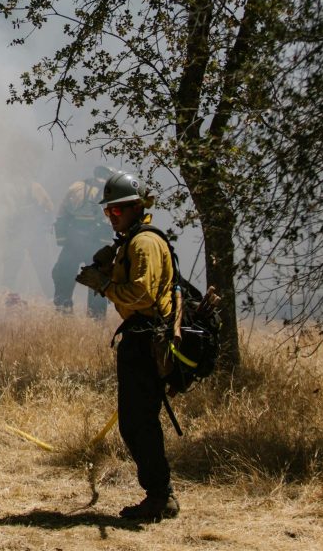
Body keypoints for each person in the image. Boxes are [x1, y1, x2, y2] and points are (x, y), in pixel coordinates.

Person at [75, 171, 179, 522]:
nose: (111, 217)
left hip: (147, 340)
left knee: (139, 424)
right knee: (137, 422)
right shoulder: (131, 241)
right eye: (108, 213)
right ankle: (160, 494)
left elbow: (142, 294)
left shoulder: (143, 243)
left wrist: (104, 284)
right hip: (140, 338)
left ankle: (160, 496)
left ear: (136, 207)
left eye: (117, 211)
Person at [52, 165, 114, 318]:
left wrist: (64, 241)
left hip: (74, 237)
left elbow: (61, 214)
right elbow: (112, 221)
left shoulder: (76, 186)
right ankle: (96, 317)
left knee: (64, 272)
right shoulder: (111, 192)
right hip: (97, 240)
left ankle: (63, 308)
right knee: (98, 279)